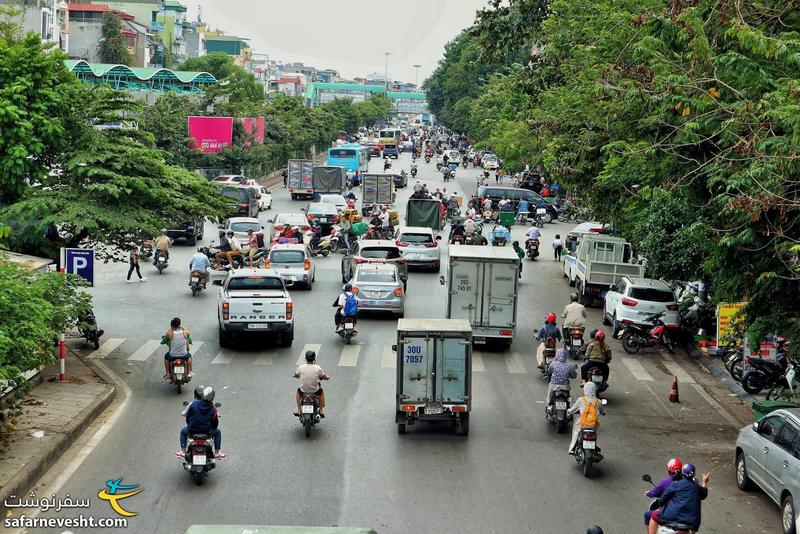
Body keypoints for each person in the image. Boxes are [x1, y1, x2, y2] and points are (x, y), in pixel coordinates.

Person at [648, 466, 710, 534]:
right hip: (691, 525)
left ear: (682, 472)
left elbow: (661, 501)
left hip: (671, 520)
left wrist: (661, 503)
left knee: (654, 515)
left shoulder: (675, 484)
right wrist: (705, 482)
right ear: (694, 474)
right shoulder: (698, 488)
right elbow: (704, 494)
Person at [178, 385, 225, 459]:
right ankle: (217, 453)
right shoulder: (213, 409)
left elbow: (188, 417)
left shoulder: (193, 404)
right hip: (207, 431)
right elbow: (215, 423)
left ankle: (183, 452)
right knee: (218, 432)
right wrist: (213, 428)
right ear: (212, 397)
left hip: (192, 429)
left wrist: (190, 425)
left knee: (183, 432)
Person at [643, 459, 684, 527]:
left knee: (647, 515)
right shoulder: (686, 481)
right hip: (684, 512)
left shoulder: (665, 482)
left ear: (669, 470)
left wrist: (648, 493)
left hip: (669, 513)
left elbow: (654, 493)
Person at [567, 382, 604, 454]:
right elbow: (602, 412)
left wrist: (569, 412)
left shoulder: (581, 400)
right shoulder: (598, 401)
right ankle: (595, 446)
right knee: (595, 432)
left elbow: (572, 410)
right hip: (594, 425)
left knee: (576, 433)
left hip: (582, 424)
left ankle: (572, 448)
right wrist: (603, 413)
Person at [294, 350, 330, 417]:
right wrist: (327, 377)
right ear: (314, 359)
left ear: (305, 358)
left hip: (303, 390)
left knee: (298, 392)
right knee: (321, 391)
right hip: (315, 391)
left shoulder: (300, 367)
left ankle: (299, 410)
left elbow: (296, 375)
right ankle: (321, 410)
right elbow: (323, 376)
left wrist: (296, 376)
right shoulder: (318, 368)